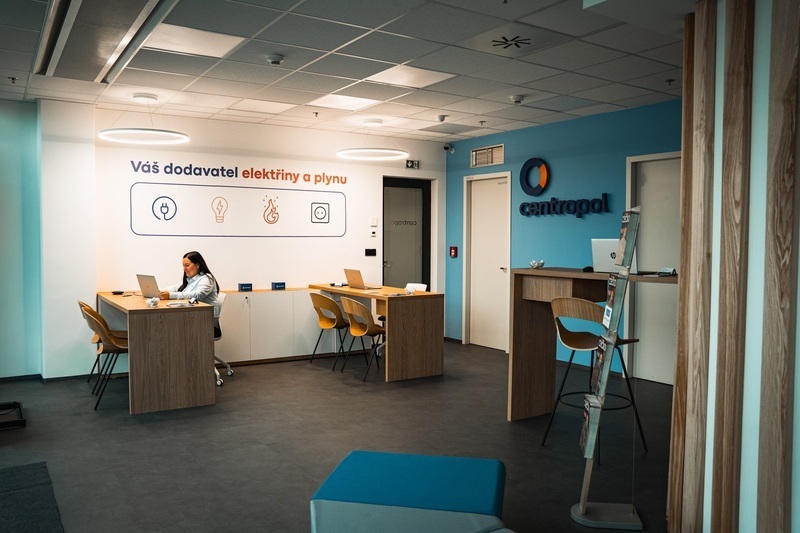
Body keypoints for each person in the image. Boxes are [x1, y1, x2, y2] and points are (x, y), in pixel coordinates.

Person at [159, 251, 220, 319]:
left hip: (205, 318)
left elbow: (198, 295)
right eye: (183, 266)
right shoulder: (190, 279)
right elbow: (174, 288)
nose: (184, 269)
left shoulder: (207, 278)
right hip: (192, 315)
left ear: (197, 265)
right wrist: (158, 291)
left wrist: (171, 295)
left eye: (187, 265)